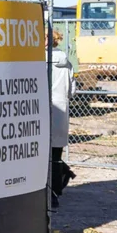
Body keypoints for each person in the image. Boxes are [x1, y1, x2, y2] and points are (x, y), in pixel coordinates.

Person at [49, 29, 75, 209]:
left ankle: (48, 191)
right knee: (56, 153)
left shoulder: (36, 59)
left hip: (43, 107)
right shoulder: (66, 62)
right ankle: (57, 190)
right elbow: (72, 90)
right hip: (61, 108)